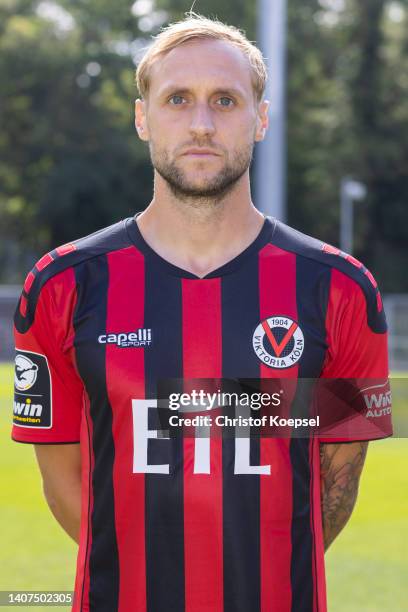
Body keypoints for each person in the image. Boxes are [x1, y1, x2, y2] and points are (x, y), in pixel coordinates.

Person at [11, 13, 392, 612]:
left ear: (260, 118)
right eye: (177, 99)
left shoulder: (342, 291)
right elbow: (63, 476)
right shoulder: (61, 287)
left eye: (225, 100)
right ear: (142, 117)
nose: (201, 123)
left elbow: (338, 480)